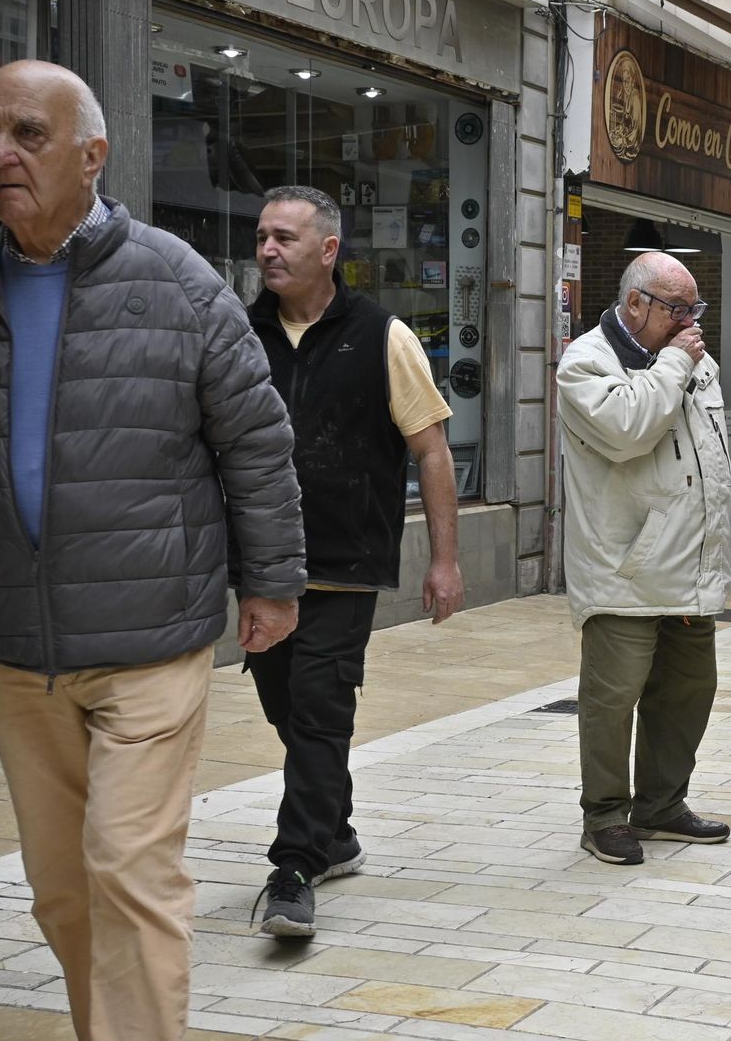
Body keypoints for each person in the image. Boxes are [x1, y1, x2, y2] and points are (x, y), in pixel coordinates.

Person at [0, 61, 304, 1040]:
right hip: (14, 649)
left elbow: (254, 439)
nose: (2, 153)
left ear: (93, 154)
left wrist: (272, 582)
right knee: (59, 888)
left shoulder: (178, 283)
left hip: (149, 640)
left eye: (29, 134)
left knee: (127, 866)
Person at [246, 186, 465, 936]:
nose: (268, 250)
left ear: (328, 250)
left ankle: (294, 868)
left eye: (285, 238)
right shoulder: (243, 335)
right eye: (262, 238)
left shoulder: (382, 335)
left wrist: (445, 561)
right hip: (266, 571)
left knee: (317, 713)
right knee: (284, 708)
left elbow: (430, 449)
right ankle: (334, 832)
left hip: (345, 567)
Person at [556, 253, 731, 866]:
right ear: (636, 304)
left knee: (689, 691)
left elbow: (710, 454)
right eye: (678, 309)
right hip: (623, 568)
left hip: (690, 564)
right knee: (612, 700)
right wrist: (675, 363)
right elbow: (629, 428)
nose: (691, 323)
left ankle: (661, 805)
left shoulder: (689, 361)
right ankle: (604, 815)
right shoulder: (584, 362)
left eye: (695, 309)